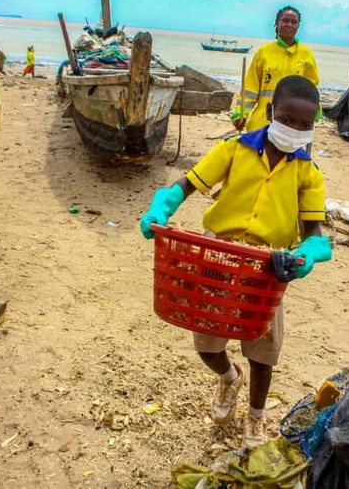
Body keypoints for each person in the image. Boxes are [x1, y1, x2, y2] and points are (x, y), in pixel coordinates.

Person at [140, 75, 332, 447]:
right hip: (219, 255)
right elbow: (186, 184)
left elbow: (315, 234)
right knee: (207, 343)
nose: (295, 129)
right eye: (288, 119)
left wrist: (307, 255)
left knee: (263, 349)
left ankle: (256, 418)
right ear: (272, 111)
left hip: (268, 266)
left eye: (305, 125)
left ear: (313, 126)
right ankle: (228, 376)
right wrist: (161, 208)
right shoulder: (235, 149)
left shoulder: (308, 172)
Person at [232, 6, 320, 133]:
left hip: (292, 125)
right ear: (277, 23)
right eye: (285, 20)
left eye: (293, 22)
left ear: (298, 26)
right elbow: (250, 88)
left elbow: (312, 89)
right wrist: (241, 113)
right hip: (262, 123)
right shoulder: (264, 52)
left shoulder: (306, 55)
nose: (289, 24)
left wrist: (314, 113)